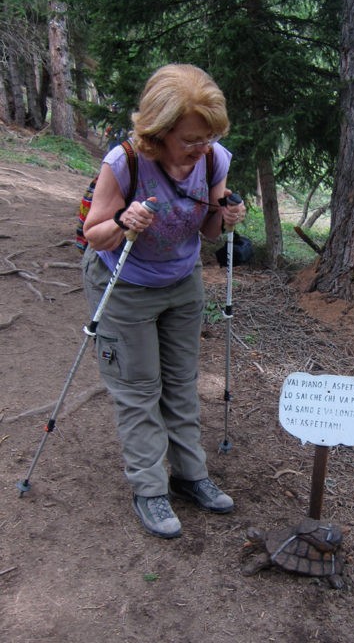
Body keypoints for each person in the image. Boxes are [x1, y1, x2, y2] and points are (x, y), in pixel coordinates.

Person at [82, 64, 246, 539]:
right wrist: (123, 221)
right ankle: (150, 488)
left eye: (209, 137)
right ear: (160, 130)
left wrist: (226, 213)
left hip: (180, 282)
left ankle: (191, 476)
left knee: (180, 381)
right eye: (191, 139)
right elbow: (94, 234)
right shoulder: (125, 162)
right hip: (125, 285)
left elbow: (211, 230)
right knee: (138, 389)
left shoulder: (213, 159)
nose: (202, 148)